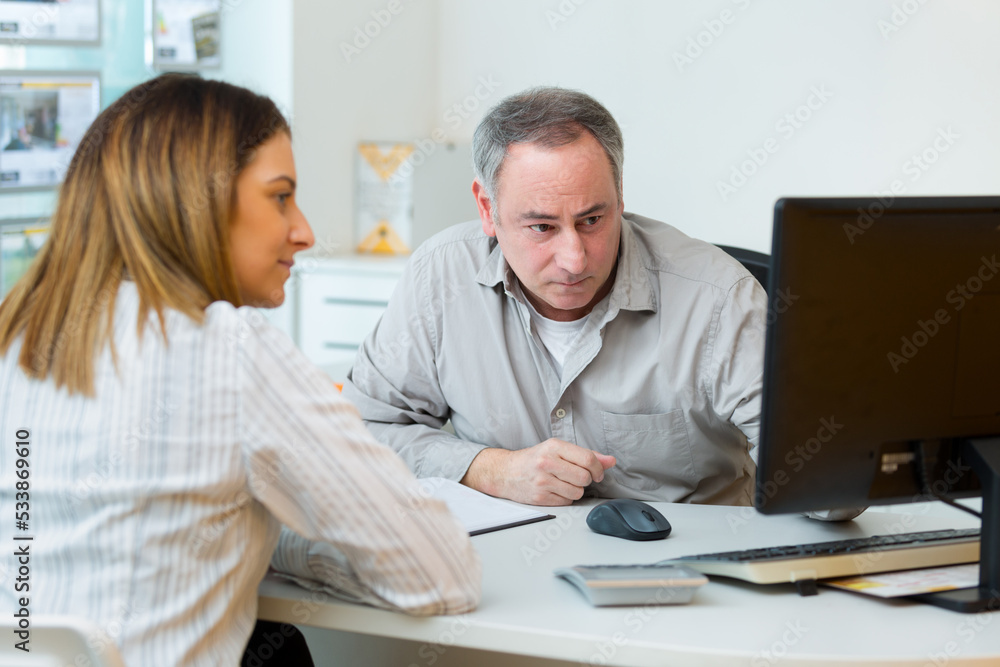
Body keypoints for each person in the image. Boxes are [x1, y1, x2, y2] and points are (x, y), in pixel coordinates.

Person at [0, 73, 480, 667]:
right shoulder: (227, 350)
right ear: (194, 200)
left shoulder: (14, 335)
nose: (303, 231)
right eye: (280, 196)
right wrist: (284, 540)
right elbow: (440, 573)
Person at [342, 86, 765, 508]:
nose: (574, 260)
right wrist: (489, 469)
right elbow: (361, 434)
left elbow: (812, 472)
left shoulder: (719, 299)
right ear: (487, 208)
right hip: (509, 562)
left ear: (620, 195)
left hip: (690, 566)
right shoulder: (440, 276)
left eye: (592, 220)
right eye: (542, 227)